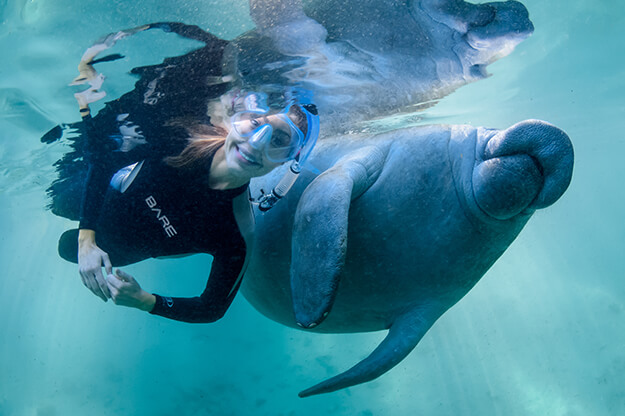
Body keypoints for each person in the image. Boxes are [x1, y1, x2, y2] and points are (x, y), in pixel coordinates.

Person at [50, 22, 320, 323]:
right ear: (235, 118)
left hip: (126, 245)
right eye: (255, 124)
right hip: (102, 192)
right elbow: (101, 159)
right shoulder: (181, 136)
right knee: (59, 204)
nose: (257, 144)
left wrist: (144, 301)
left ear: (288, 160)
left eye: (280, 140)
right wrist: (87, 239)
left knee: (64, 248)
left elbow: (212, 308)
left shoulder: (236, 233)